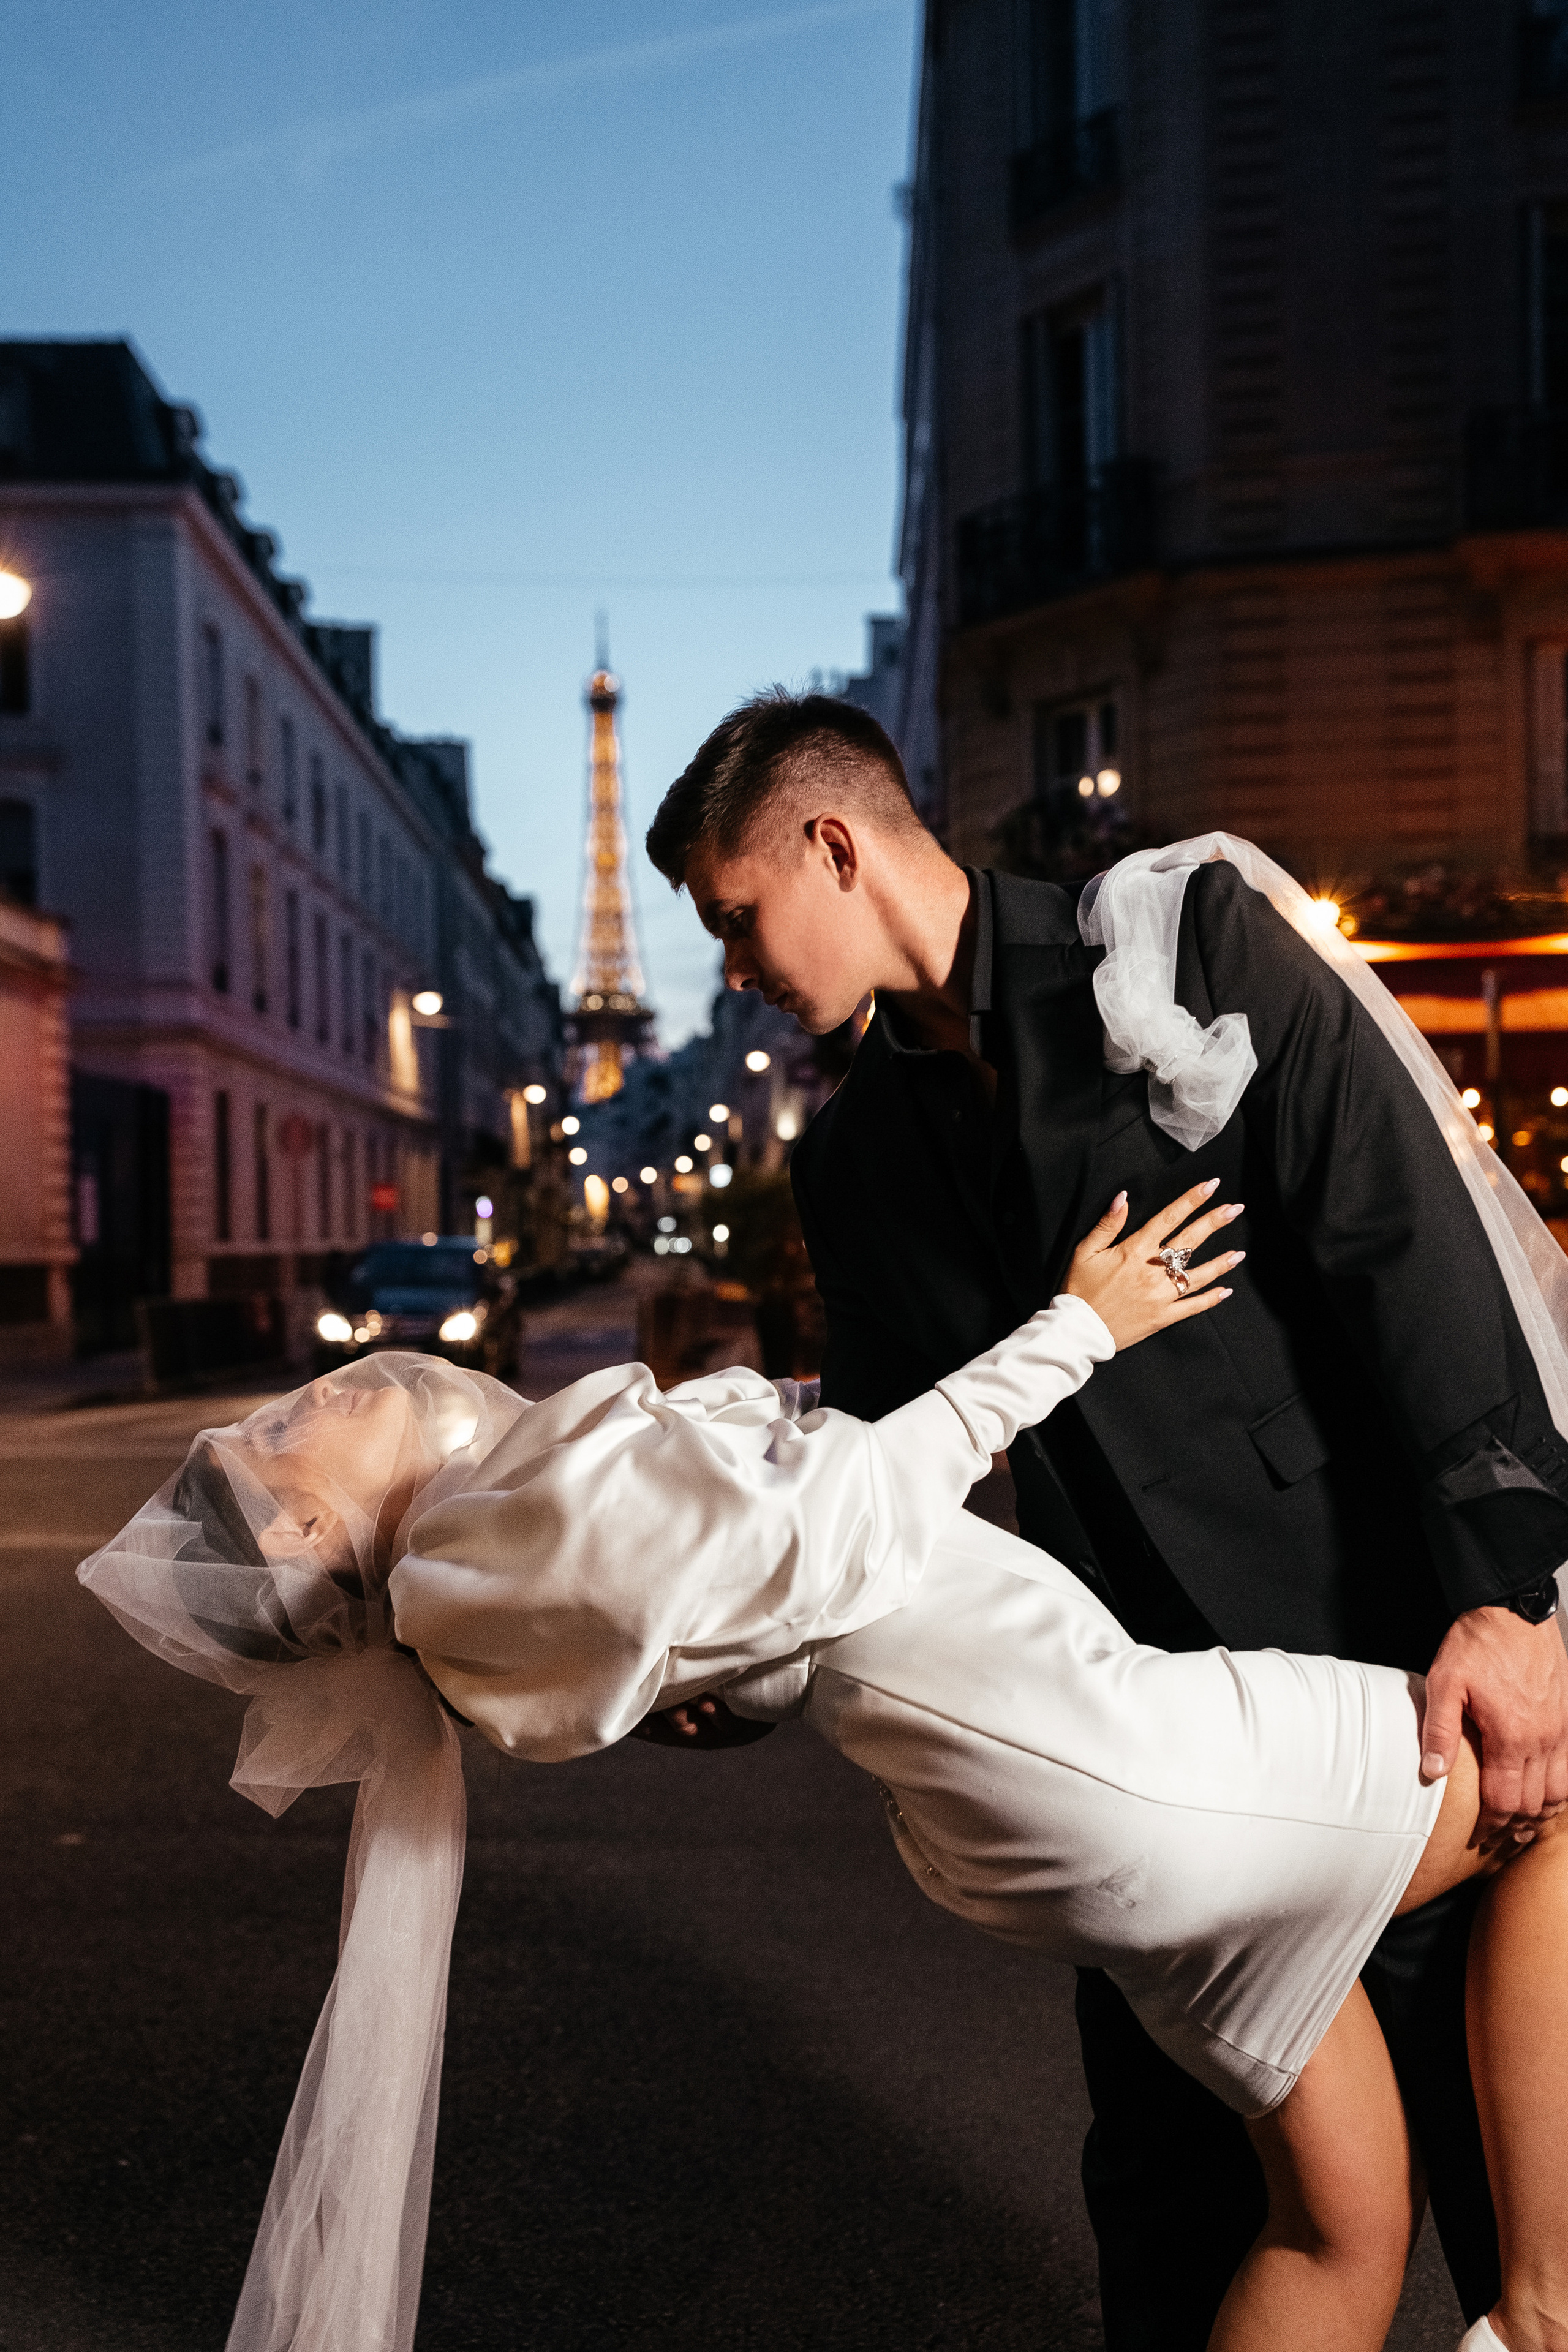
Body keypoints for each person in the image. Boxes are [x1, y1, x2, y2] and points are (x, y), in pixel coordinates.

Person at [641, 690, 1568, 2346]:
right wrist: (739, 1670)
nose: (732, 969)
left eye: (734, 918)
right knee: (1178, 2218)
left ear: (832, 846)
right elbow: (877, 1481)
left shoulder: (1179, 944)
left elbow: (1405, 1248)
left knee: (1523, 2217)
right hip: (1141, 1743)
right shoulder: (852, 1165)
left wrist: (1509, 1599)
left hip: (1392, 1673)